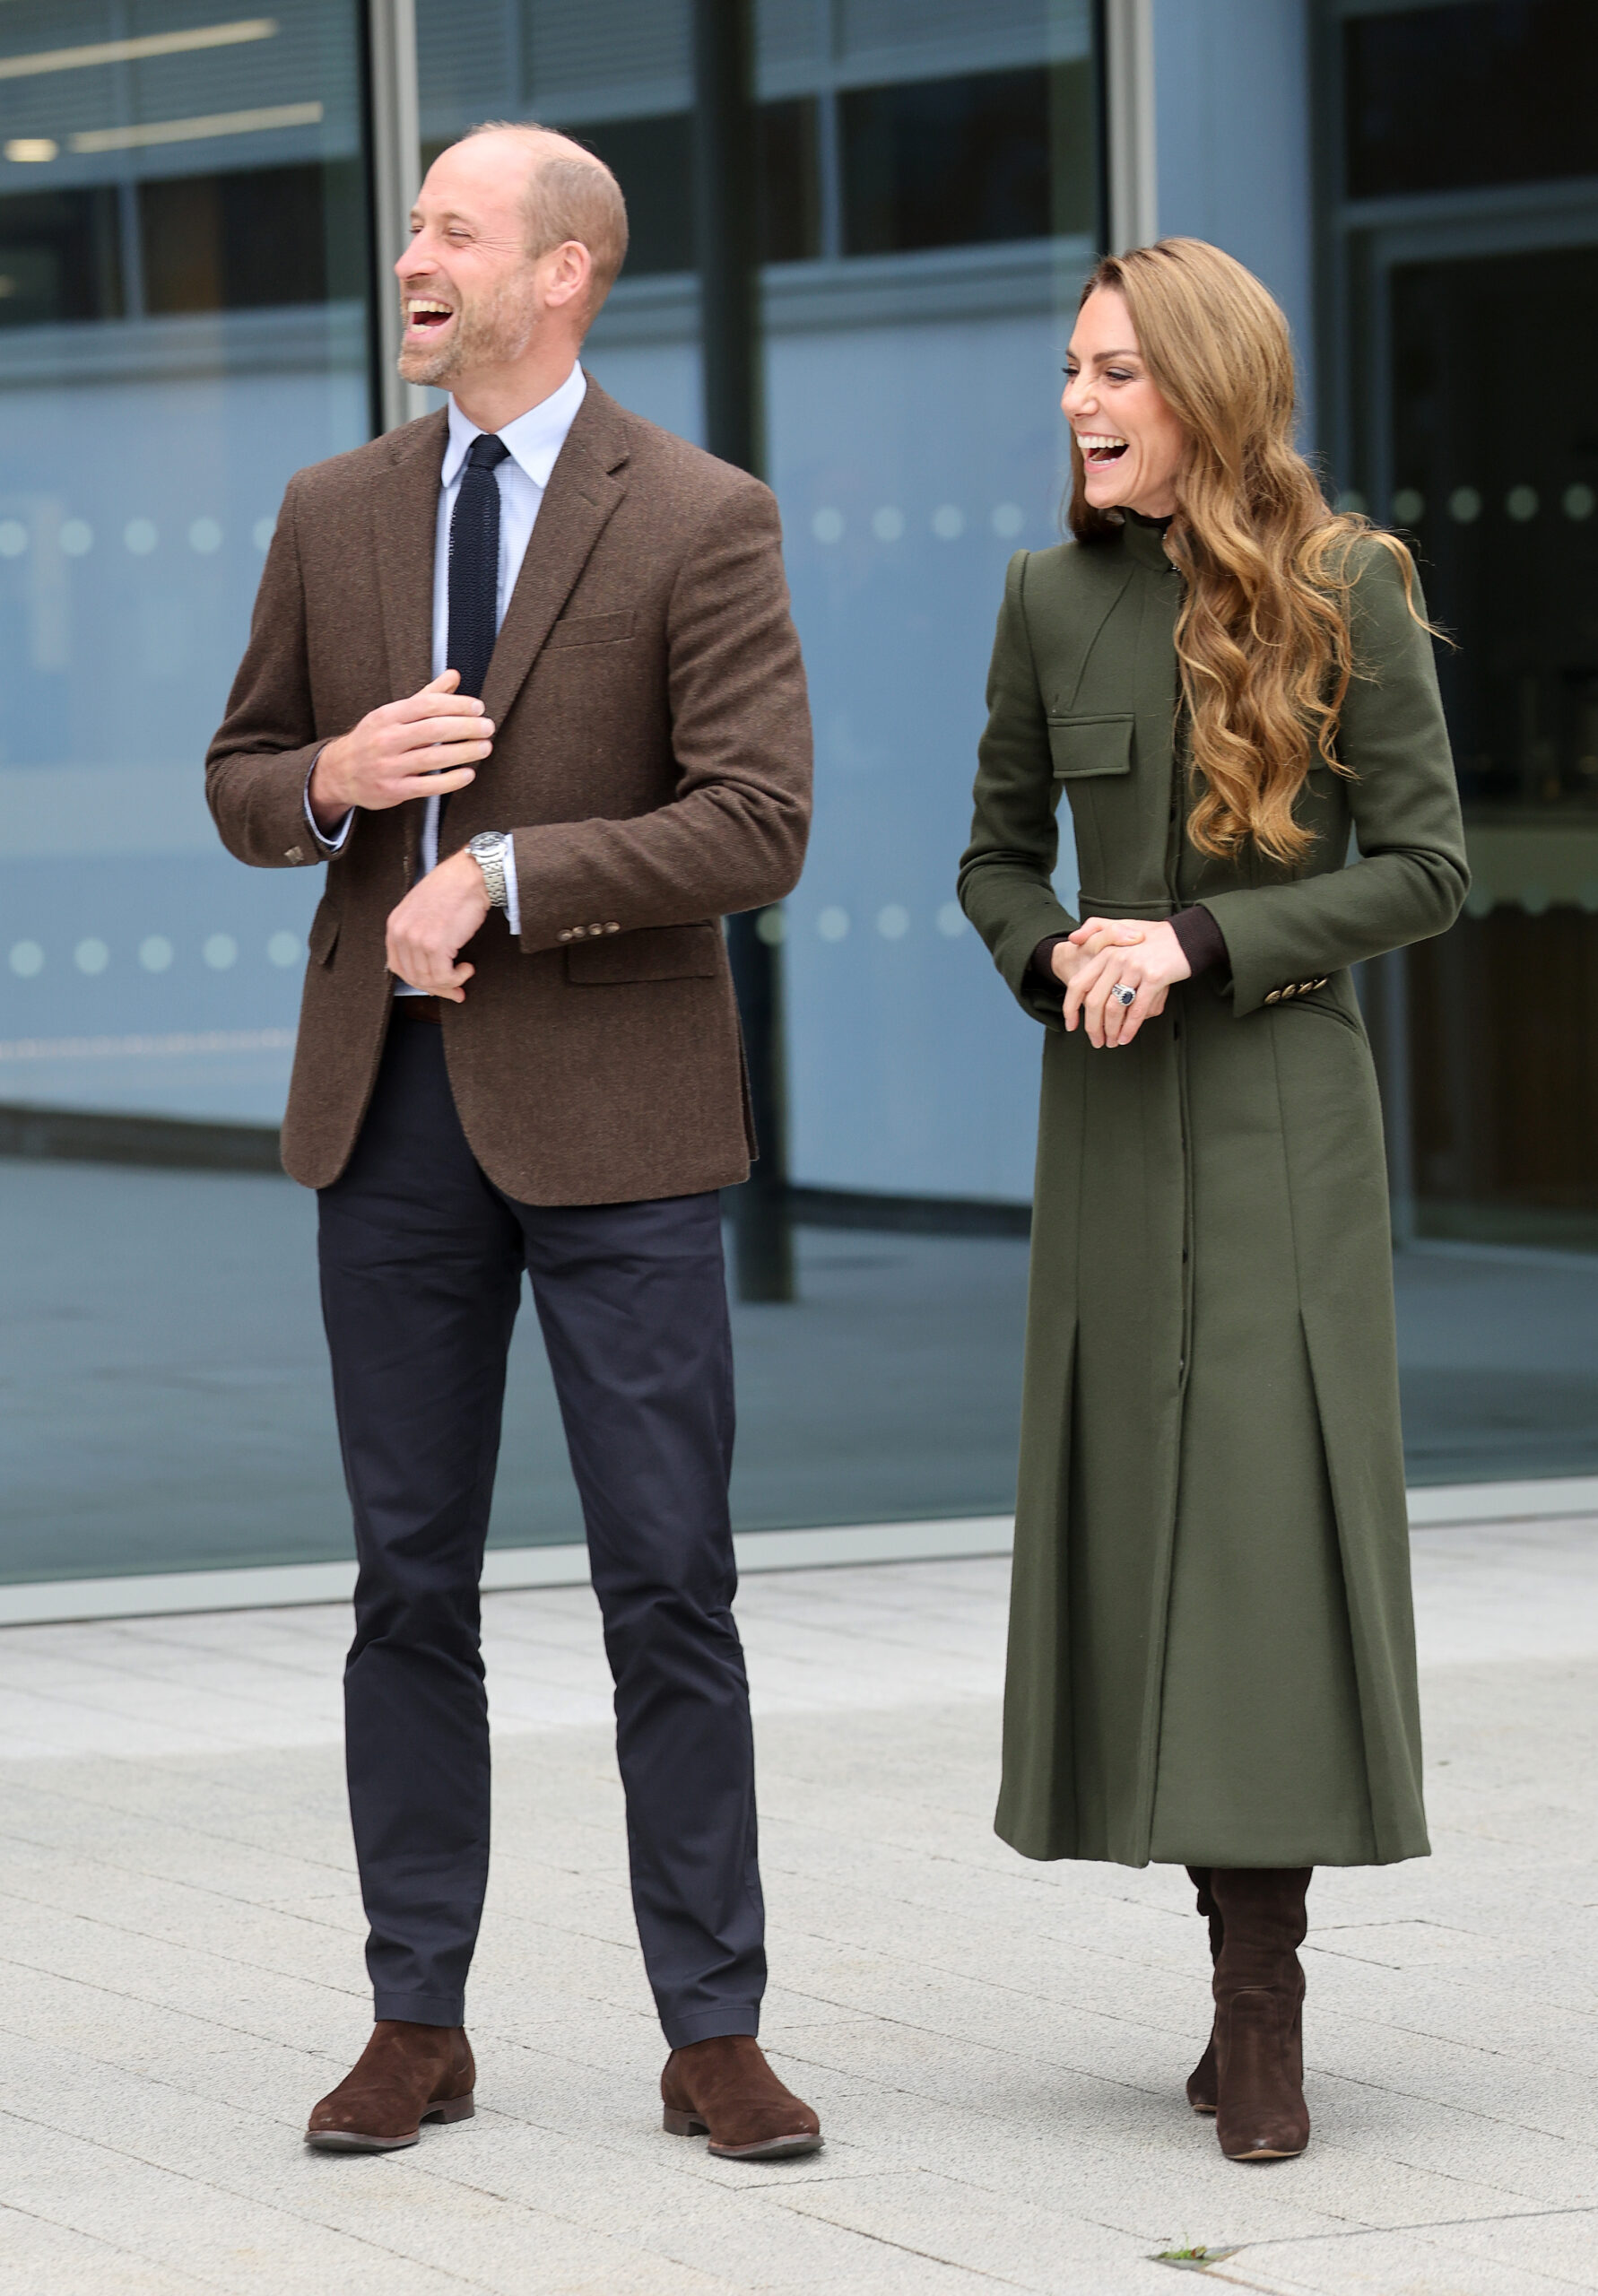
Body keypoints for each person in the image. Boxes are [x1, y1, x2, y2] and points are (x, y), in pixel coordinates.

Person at [206, 122, 821, 2162]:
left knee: (669, 1576)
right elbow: (237, 773)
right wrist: (337, 778)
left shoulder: (702, 517)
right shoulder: (333, 506)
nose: (413, 257)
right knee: (406, 1581)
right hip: (384, 1114)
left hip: (625, 1119)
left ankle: (713, 2025)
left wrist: (511, 875)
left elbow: (759, 820)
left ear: (564, 271)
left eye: (451, 232)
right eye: (411, 229)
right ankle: (415, 2015)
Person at [958, 239, 1467, 2163]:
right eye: (1072, 373)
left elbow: (1425, 870)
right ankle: (1216, 1954)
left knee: (1259, 1532)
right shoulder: (1042, 598)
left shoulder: (1353, 592)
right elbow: (992, 853)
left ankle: (1265, 2003)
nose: (1083, 406)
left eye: (1118, 374)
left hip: (1277, 1112)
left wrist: (1193, 939)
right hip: (1102, 1118)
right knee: (1141, 1534)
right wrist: (1057, 953)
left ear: (1209, 387)